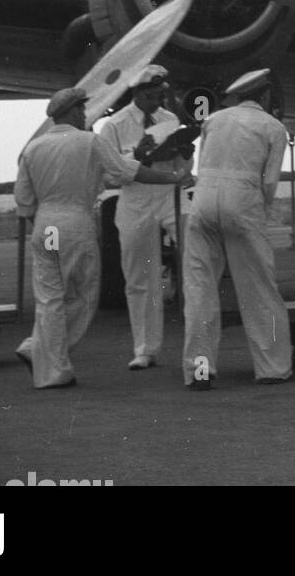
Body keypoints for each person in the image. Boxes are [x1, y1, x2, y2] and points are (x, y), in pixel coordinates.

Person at [14, 87, 187, 389]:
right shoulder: (90, 142)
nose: (84, 114)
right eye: (81, 110)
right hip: (75, 221)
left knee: (49, 298)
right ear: (72, 112)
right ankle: (52, 364)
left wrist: (45, 225)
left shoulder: (32, 148)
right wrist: (173, 178)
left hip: (44, 225)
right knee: (82, 295)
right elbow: (128, 172)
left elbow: (25, 203)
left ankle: (40, 355)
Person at [182, 69, 295, 388]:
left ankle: (198, 372)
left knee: (200, 290)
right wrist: (257, 213)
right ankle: (272, 368)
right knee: (259, 288)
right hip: (243, 203)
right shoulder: (274, 127)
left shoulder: (213, 120)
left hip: (203, 203)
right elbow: (269, 183)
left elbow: (203, 165)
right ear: (266, 95)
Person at [97, 64, 185, 369]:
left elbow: (182, 162)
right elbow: (109, 176)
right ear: (136, 93)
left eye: (159, 96)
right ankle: (145, 349)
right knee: (140, 276)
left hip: (169, 195)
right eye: (149, 96)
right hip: (134, 199)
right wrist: (138, 155)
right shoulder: (114, 126)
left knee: (198, 256)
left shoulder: (170, 119)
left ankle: (199, 336)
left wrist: (184, 150)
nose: (155, 103)